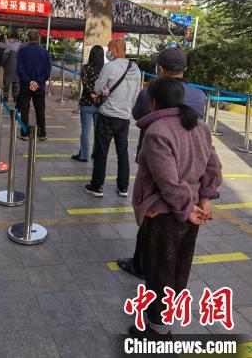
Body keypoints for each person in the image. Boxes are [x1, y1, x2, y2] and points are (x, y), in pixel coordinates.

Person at [128, 77, 222, 340]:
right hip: (190, 210)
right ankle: (164, 319)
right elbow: (213, 167)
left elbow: (167, 181)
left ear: (153, 102)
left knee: (159, 270)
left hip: (164, 213)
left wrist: (187, 208)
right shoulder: (200, 127)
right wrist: (203, 200)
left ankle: (158, 330)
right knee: (179, 266)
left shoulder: (157, 131)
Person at [118, 47, 206, 278]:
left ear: (159, 69)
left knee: (152, 217)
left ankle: (142, 266)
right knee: (180, 243)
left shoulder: (150, 93)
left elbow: (138, 115)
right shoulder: (199, 96)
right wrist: (204, 198)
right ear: (185, 68)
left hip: (156, 163)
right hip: (190, 166)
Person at [85, 38, 141, 198]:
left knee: (101, 152)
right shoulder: (135, 69)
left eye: (110, 50)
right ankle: (123, 187)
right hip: (124, 118)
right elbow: (136, 94)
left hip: (107, 116)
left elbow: (97, 88)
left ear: (117, 50)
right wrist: (127, 108)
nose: (108, 53)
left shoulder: (109, 67)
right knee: (122, 153)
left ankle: (97, 186)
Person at [17, 29, 51, 141]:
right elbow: (47, 70)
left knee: (24, 110)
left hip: (25, 85)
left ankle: (24, 133)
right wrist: (38, 82)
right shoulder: (45, 52)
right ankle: (42, 133)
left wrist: (29, 81)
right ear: (38, 38)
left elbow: (20, 69)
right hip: (39, 86)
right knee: (40, 110)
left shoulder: (22, 51)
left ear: (28, 38)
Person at [71, 45, 104, 162]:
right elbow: (106, 85)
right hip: (100, 104)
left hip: (86, 102)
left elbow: (85, 83)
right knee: (98, 131)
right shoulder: (105, 69)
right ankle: (96, 154)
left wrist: (91, 94)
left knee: (85, 131)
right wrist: (97, 95)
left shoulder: (85, 68)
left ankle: (84, 155)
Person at [3, 31, 21, 102]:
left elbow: (5, 57)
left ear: (13, 38)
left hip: (8, 67)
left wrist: (3, 64)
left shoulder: (8, 45)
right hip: (17, 67)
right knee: (15, 83)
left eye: (10, 38)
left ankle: (5, 96)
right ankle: (15, 97)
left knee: (6, 83)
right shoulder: (20, 45)